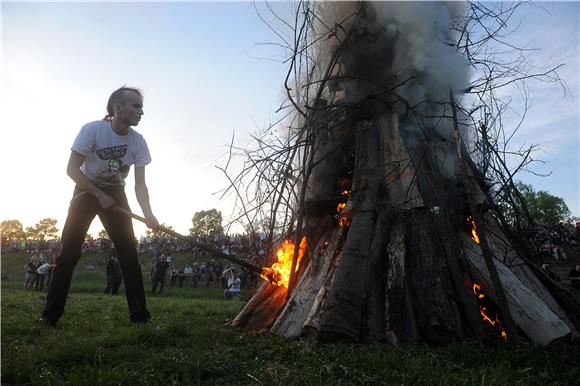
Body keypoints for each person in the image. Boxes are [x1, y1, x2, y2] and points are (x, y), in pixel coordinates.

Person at [41, 86, 159, 327]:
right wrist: (97, 194)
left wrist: (149, 215)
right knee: (69, 253)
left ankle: (140, 317)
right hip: (86, 189)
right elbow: (72, 170)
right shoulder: (93, 130)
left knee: (129, 254)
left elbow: (140, 185)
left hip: (116, 191)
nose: (141, 111)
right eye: (136, 106)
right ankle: (50, 317)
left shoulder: (138, 142)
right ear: (117, 108)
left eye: (141, 106)